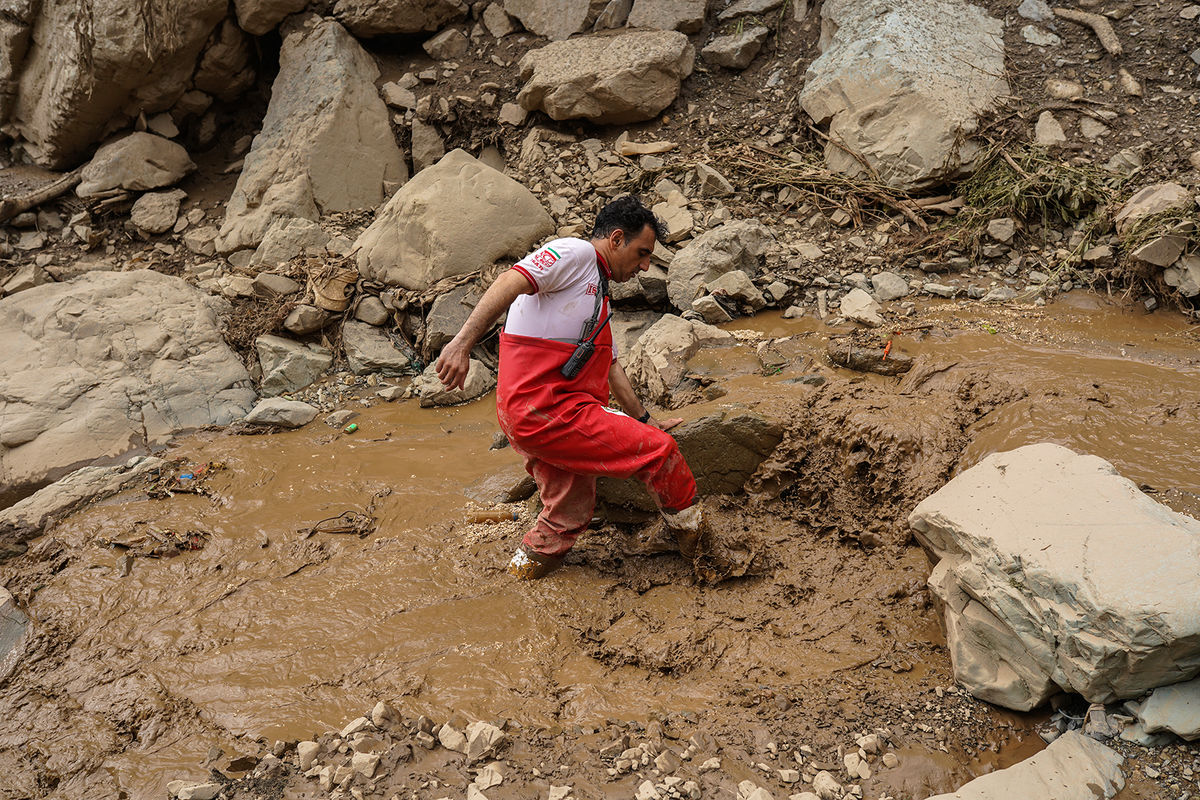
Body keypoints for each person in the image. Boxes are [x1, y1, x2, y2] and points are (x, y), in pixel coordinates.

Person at [436, 195, 706, 580]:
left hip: (538, 413)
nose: (645, 266)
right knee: (660, 452)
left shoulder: (597, 293)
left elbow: (610, 366)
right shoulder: (575, 254)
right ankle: (702, 549)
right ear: (616, 239)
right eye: (643, 253)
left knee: (567, 514)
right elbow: (510, 280)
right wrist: (461, 344)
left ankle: (515, 581)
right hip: (548, 411)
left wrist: (647, 419)